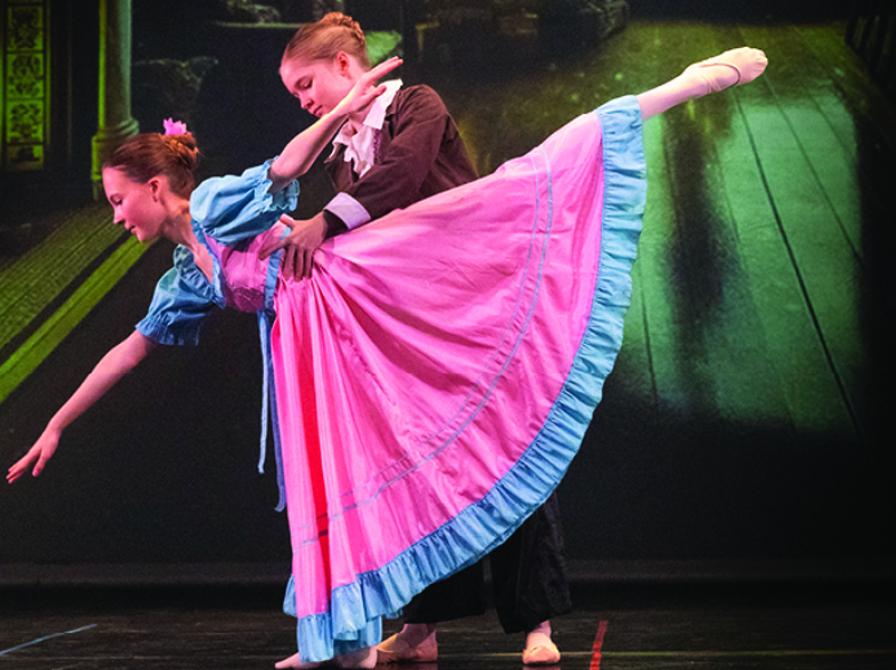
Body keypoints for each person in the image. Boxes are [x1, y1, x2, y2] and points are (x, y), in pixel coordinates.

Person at [7, 45, 768, 669]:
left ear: (154, 187)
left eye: (118, 201)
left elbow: (305, 170)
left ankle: (675, 88)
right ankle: (356, 634)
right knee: (377, 467)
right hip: (330, 336)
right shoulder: (189, 270)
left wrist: (338, 127)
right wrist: (57, 423)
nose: (114, 217)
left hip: (402, 279)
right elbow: (131, 347)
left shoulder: (227, 198)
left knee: (531, 192)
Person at [271, 13, 571, 667]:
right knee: (425, 469)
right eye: (294, 93)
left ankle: (536, 623)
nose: (302, 101)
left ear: (344, 65)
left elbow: (403, 178)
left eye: (307, 84)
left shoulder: (415, 104)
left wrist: (324, 223)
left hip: (476, 309)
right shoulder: (341, 148)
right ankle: (422, 624)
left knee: (509, 451)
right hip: (416, 325)